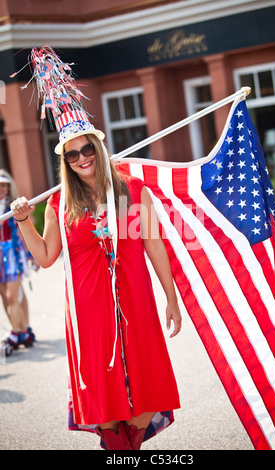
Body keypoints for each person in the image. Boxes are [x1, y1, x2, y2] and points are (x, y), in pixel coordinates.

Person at [10, 132, 182, 450]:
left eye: (87, 148)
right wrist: (23, 221)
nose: (82, 158)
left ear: (99, 148)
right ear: (65, 162)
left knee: (146, 393)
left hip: (136, 302)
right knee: (106, 404)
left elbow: (154, 245)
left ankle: (126, 447)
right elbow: (47, 257)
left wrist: (171, 299)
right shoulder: (59, 202)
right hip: (88, 313)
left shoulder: (131, 189)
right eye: (72, 155)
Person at [0, 169, 37, 356]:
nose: (1, 189)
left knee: (12, 295)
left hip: (12, 256)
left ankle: (16, 332)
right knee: (5, 296)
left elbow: (23, 232)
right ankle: (21, 329)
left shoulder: (12, 208)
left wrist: (31, 255)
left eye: (4, 185)